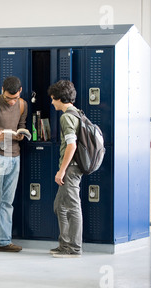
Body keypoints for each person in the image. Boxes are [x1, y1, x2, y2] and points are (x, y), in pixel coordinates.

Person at [0, 76, 27, 252]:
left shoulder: (22, 105)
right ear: (2, 90)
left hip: (15, 155)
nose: (11, 102)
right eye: (8, 98)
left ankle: (2, 241)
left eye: (14, 98)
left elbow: (22, 125)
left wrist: (20, 135)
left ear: (20, 92)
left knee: (7, 201)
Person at [47, 80, 83, 258]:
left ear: (60, 99)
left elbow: (71, 145)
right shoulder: (77, 113)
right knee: (59, 206)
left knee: (73, 206)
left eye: (53, 99)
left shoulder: (66, 117)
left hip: (71, 168)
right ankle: (64, 245)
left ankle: (74, 248)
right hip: (74, 167)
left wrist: (62, 170)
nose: (52, 102)